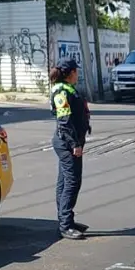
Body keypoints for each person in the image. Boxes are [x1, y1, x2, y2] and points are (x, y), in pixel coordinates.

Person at [49, 57, 92, 239]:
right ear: (71, 73)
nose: (78, 74)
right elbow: (64, 121)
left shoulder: (67, 89)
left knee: (64, 181)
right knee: (72, 182)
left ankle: (66, 220)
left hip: (69, 141)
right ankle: (65, 225)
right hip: (67, 143)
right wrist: (74, 144)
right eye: (76, 71)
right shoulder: (61, 92)